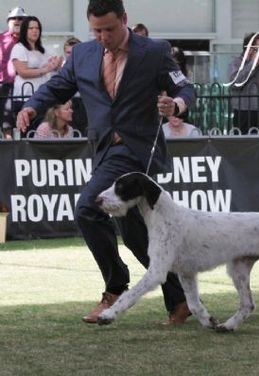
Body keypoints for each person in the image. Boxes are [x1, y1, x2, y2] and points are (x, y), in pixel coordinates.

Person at [16, 0, 195, 325]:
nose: (103, 37)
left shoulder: (153, 52)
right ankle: (179, 299)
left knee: (87, 206)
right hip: (105, 153)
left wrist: (177, 105)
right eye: (96, 30)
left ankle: (115, 286)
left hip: (138, 153)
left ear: (124, 20)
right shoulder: (82, 54)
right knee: (136, 233)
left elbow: (184, 86)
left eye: (109, 29)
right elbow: (58, 86)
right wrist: (31, 106)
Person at [10, 16, 63, 119]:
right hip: (25, 96)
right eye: (31, 28)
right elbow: (23, 72)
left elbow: (53, 67)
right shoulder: (19, 48)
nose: (35, 31)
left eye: (37, 28)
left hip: (43, 96)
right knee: (28, 132)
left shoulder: (43, 49)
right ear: (25, 30)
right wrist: (46, 69)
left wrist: (57, 64)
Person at [0, 7, 28, 139]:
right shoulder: (1, 39)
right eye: (14, 18)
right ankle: (9, 155)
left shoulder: (30, 40)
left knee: (26, 120)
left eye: (20, 18)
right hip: (5, 86)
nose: (17, 20)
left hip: (26, 86)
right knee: (6, 124)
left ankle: (25, 154)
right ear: (8, 21)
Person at [62, 36, 88, 135]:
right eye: (68, 52)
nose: (71, 55)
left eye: (74, 52)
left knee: (84, 131)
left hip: (83, 101)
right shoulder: (61, 67)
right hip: (67, 102)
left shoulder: (87, 65)